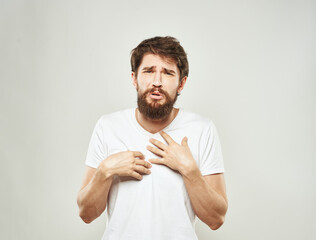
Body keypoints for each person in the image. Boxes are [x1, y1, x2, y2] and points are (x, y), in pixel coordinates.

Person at [77, 36, 228, 240]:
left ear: (181, 83)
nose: (157, 82)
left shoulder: (202, 129)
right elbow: (86, 214)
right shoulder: (108, 126)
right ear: (134, 78)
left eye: (167, 73)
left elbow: (216, 219)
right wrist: (105, 170)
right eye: (149, 71)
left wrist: (190, 171)